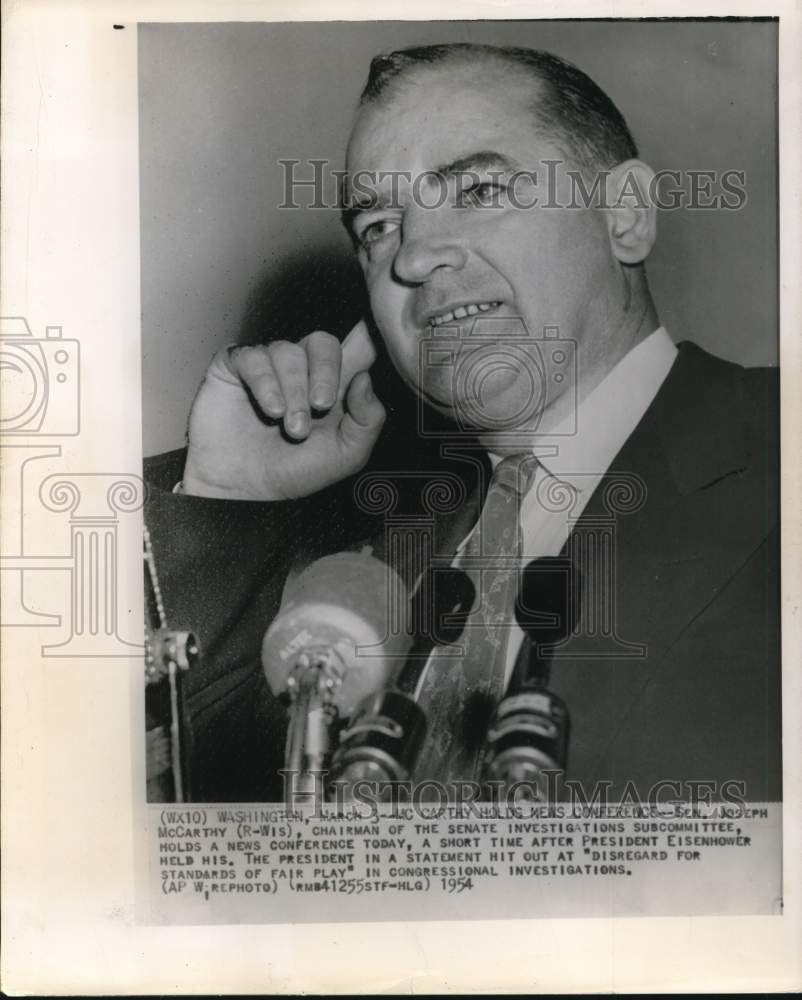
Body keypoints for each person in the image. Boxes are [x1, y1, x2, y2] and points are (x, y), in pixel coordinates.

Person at [143, 44, 780, 804]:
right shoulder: (362, 581)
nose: (412, 256)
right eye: (379, 225)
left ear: (626, 215)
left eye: (478, 188)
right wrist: (228, 495)